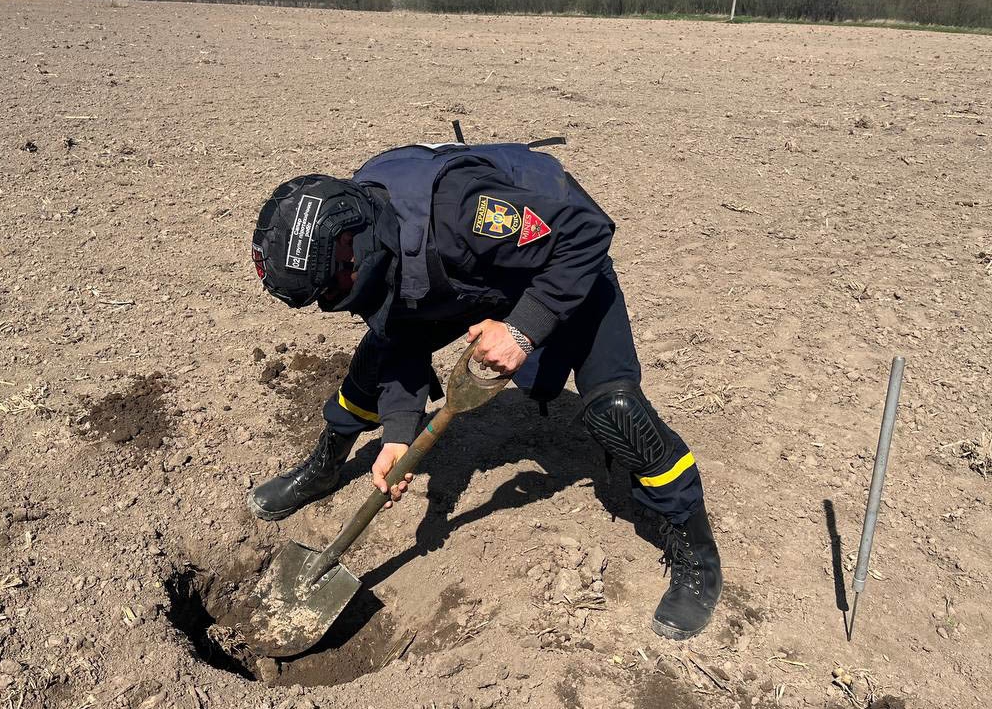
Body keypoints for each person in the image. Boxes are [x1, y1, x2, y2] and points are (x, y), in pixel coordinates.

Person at [247, 135, 723, 640]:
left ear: (352, 241)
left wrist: (523, 329)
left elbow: (585, 232)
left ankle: (696, 549)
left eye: (335, 286)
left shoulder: (461, 210)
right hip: (469, 277)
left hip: (559, 263)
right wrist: (398, 436)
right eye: (325, 296)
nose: (335, 298)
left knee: (617, 410)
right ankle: (325, 466)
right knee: (376, 358)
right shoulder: (371, 228)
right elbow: (399, 330)